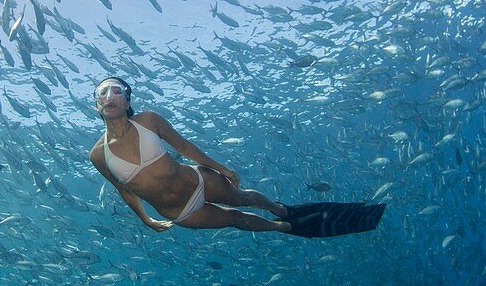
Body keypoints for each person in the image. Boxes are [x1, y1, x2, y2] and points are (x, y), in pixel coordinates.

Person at [88, 77, 385, 236]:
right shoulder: (99, 155)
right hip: (180, 212)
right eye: (102, 93)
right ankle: (286, 227)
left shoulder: (149, 120)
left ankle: (280, 208)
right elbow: (124, 189)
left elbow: (185, 147)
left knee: (244, 197)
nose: (109, 96)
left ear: (127, 100)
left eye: (116, 90)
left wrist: (220, 168)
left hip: (198, 180)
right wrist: (146, 220)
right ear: (97, 104)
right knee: (235, 219)